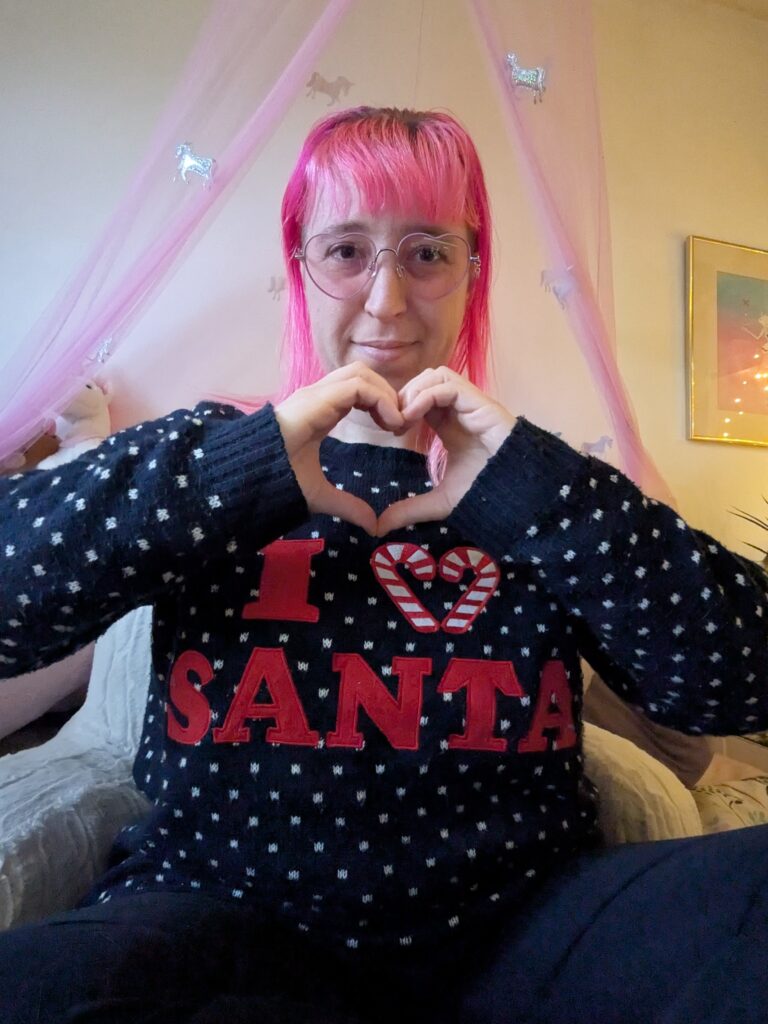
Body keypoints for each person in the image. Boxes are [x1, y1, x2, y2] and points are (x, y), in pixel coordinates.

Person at [0, 106, 767, 1024]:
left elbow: (741, 685)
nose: (387, 301)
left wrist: (538, 492)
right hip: (225, 917)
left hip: (528, 929)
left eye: (427, 253)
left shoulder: (539, 480)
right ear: (299, 268)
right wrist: (245, 468)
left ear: (472, 269)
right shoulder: (202, 461)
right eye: (346, 251)